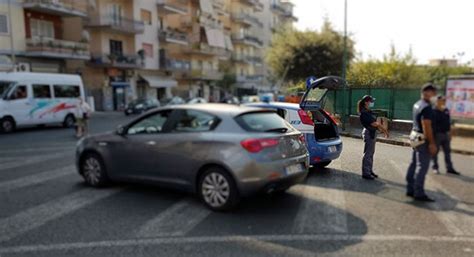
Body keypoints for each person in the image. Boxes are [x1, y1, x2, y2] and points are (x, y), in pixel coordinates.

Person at [406, 84, 438, 202]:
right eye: (434, 93)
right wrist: (432, 143)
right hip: (422, 137)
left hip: (414, 135)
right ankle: (418, 193)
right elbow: (426, 126)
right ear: (427, 93)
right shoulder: (427, 107)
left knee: (414, 163)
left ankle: (410, 188)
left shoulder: (417, 104)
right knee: (422, 166)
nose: (435, 96)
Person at [358, 95, 389, 180]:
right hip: (369, 133)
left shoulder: (368, 111)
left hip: (372, 132)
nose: (372, 103)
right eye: (371, 101)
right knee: (368, 153)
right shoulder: (364, 113)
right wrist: (385, 131)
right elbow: (375, 124)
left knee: (371, 153)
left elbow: (376, 123)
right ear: (366, 102)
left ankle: (369, 170)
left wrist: (382, 129)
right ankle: (366, 173)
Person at [432, 95, 460, 175]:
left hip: (446, 134)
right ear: (437, 101)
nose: (444, 101)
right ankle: (435, 167)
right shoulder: (433, 111)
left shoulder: (446, 110)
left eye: (444, 100)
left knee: (447, 152)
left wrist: (450, 133)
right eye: (442, 100)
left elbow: (448, 123)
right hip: (437, 134)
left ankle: (449, 168)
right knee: (435, 152)